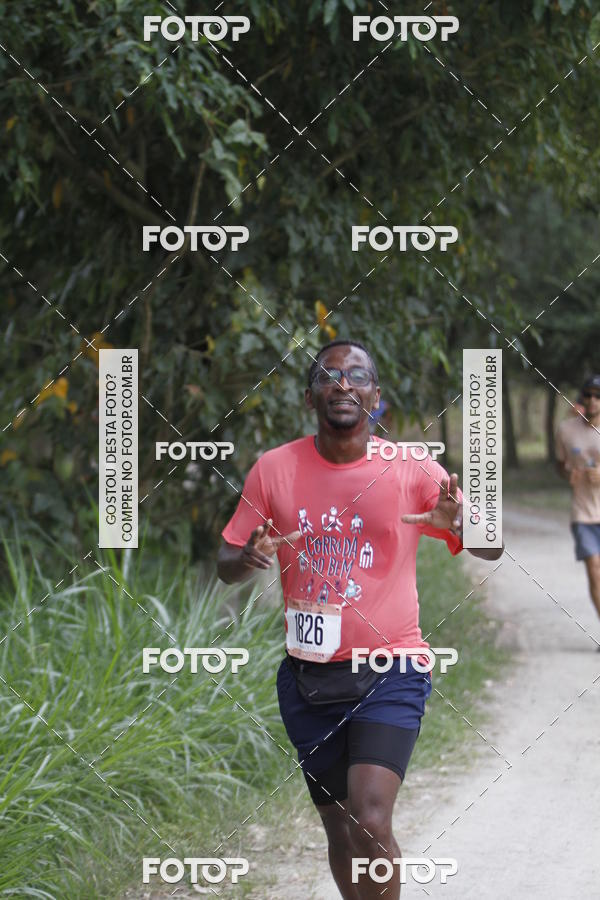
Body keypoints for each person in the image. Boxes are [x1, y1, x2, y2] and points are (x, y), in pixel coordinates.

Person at [217, 339, 503, 899]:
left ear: (377, 398)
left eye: (357, 376)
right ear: (309, 397)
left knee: (371, 821)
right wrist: (248, 556)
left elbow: (491, 547)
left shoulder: (411, 467)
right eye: (328, 375)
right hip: (308, 677)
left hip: (390, 667)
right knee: (341, 830)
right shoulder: (273, 469)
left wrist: (462, 524)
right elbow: (227, 560)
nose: (342, 384)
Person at [556, 374, 600, 630]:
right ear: (581, 398)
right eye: (588, 395)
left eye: (598, 396)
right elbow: (559, 465)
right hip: (583, 514)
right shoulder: (566, 429)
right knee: (595, 571)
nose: (593, 400)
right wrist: (566, 473)